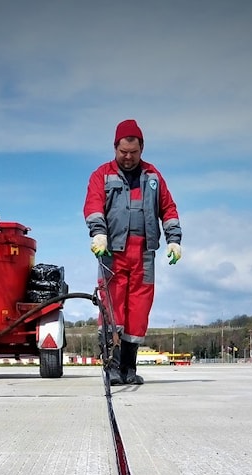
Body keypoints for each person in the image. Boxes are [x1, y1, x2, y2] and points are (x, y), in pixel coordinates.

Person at [84, 119, 182, 385]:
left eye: (134, 153)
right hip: (111, 254)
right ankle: (112, 367)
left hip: (144, 255)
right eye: (123, 152)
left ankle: (129, 368)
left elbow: (168, 209)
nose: (128, 158)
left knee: (138, 311)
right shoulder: (101, 175)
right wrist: (98, 234)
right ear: (115, 148)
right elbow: (93, 206)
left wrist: (174, 240)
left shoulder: (153, 177)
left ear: (142, 149)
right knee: (112, 309)